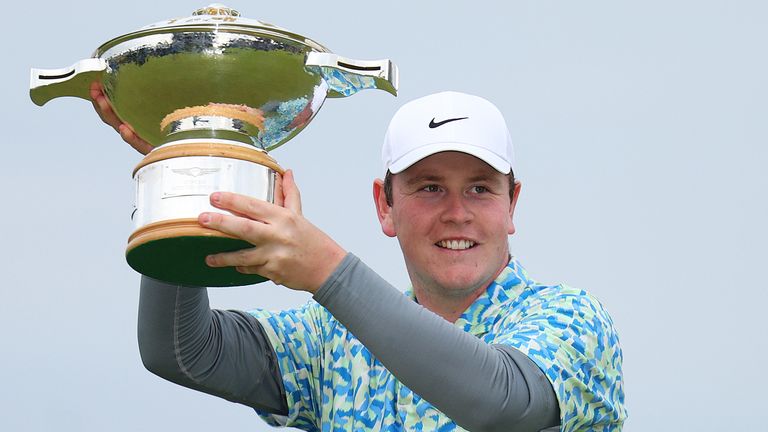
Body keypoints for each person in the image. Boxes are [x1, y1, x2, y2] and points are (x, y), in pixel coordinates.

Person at [92, 87, 627, 431]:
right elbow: (181, 351)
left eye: (482, 189)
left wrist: (325, 268)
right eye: (430, 188)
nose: (458, 213)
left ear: (512, 205)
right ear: (384, 206)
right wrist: (188, 170)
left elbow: (501, 402)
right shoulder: (332, 339)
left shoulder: (572, 320)